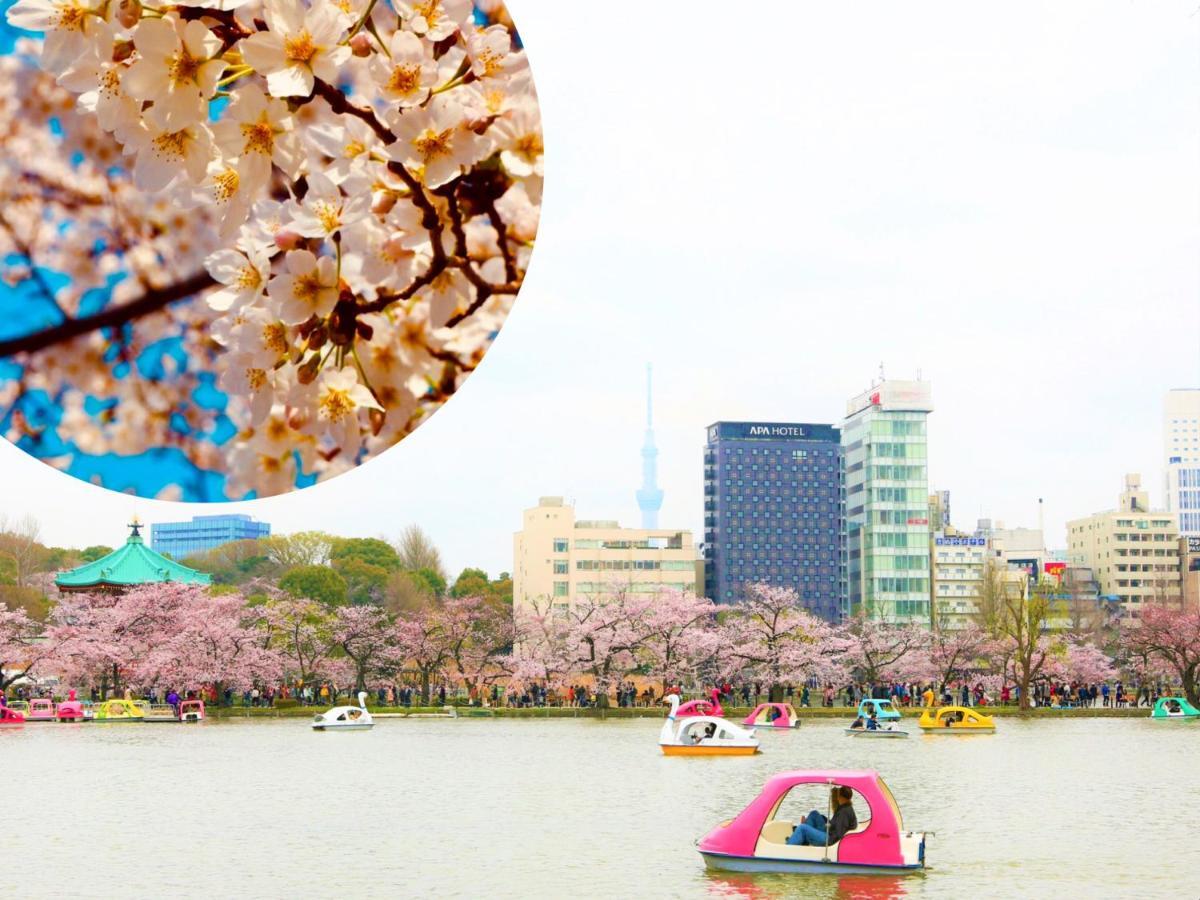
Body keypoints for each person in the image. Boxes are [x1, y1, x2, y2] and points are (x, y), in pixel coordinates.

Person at [788, 786, 857, 847]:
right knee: (814, 814)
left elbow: (838, 834)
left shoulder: (844, 812)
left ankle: (788, 847)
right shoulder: (845, 808)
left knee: (802, 828)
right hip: (830, 831)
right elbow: (837, 825)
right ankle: (802, 838)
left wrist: (827, 829)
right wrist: (827, 823)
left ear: (840, 797)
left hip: (829, 839)